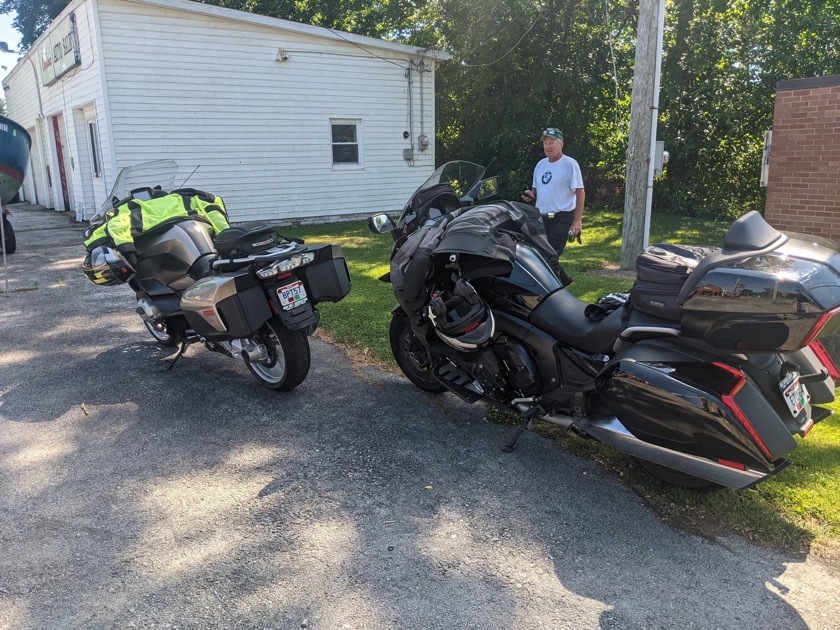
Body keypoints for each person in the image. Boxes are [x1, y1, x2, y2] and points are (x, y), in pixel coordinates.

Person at [521, 128, 584, 285]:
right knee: (538, 254)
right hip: (541, 217)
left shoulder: (569, 164)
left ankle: (554, 288)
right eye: (545, 143)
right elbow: (537, 189)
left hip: (561, 217)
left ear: (561, 144)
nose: (548, 146)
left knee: (549, 256)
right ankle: (563, 281)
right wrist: (530, 194)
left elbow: (580, 192)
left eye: (552, 143)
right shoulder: (541, 165)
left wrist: (577, 221)